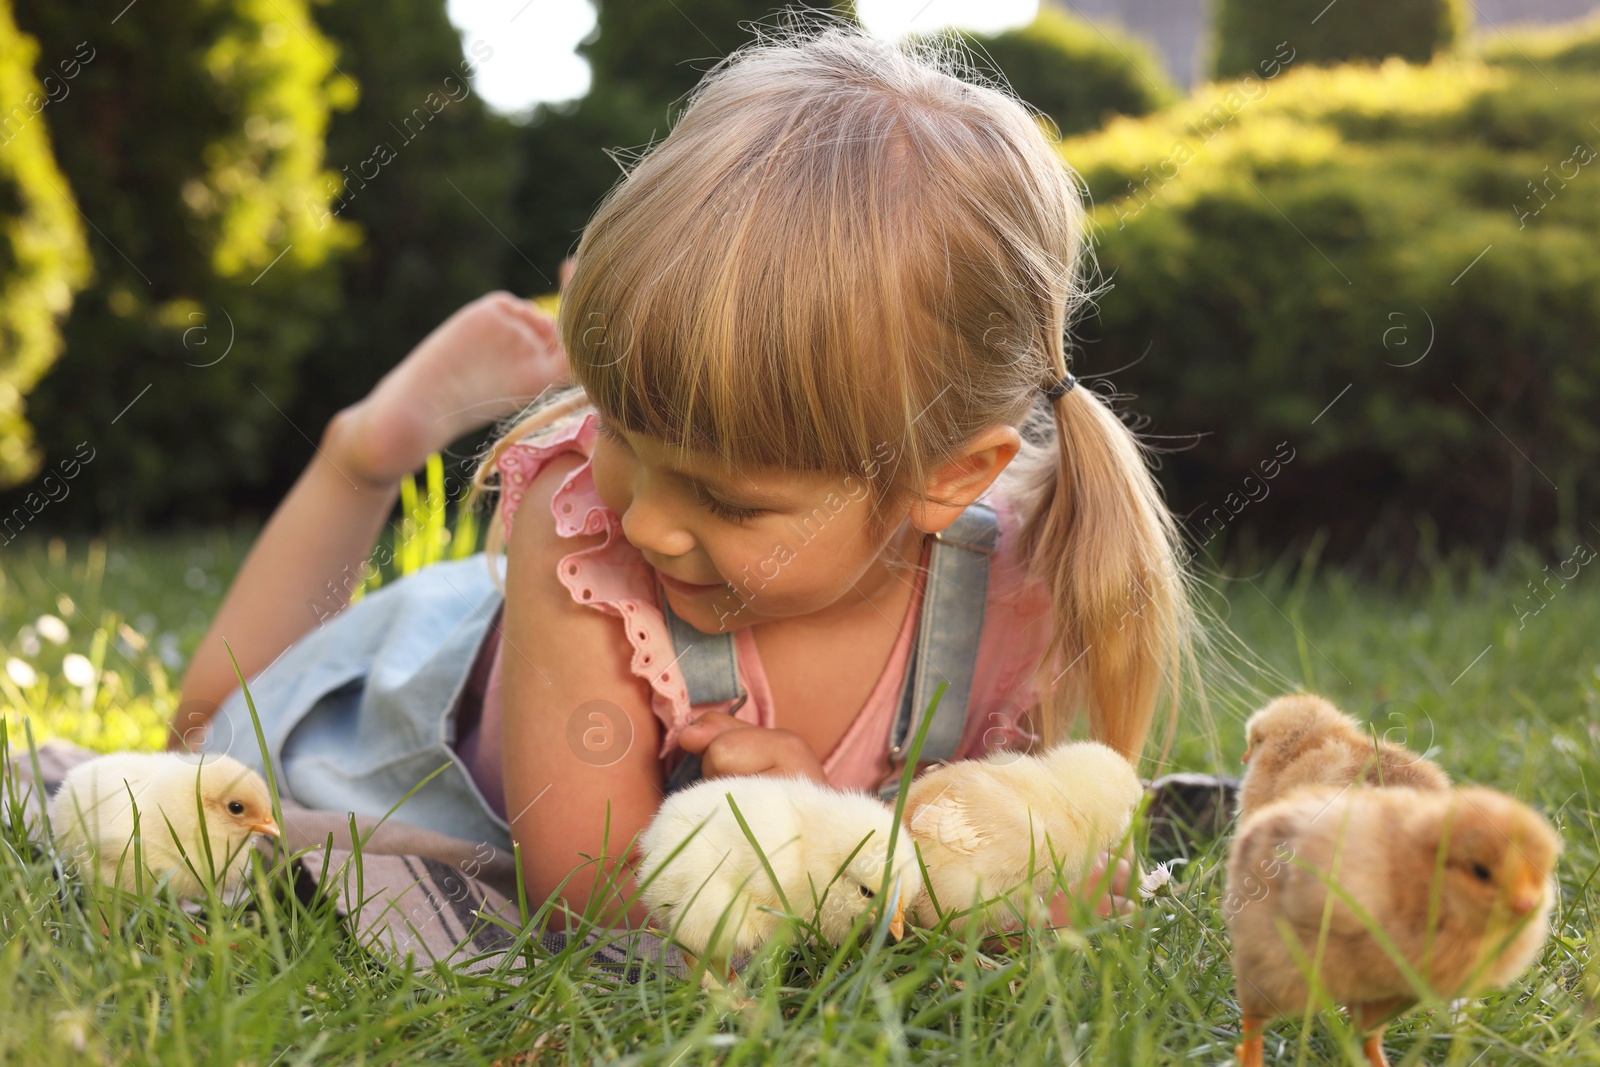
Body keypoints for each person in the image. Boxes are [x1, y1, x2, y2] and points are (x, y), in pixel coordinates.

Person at [172, 18, 1199, 933]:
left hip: (501, 631)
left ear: (947, 478)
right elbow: (584, 886)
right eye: (622, 429)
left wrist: (1019, 876)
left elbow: (1023, 853)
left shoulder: (1028, 581)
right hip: (418, 710)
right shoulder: (584, 532)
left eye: (728, 496)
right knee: (197, 756)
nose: (651, 523)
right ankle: (367, 450)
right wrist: (813, 851)